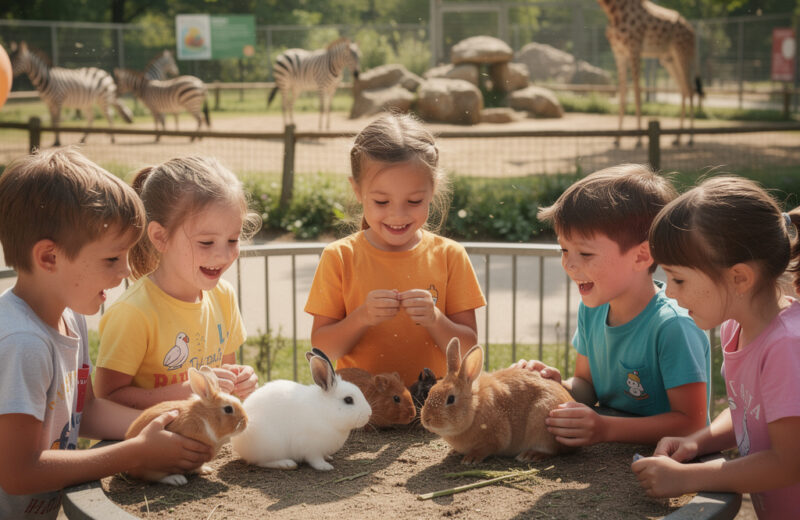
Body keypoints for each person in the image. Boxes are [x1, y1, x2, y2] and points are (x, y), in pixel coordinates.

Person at [0, 148, 212, 519]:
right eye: (112, 259)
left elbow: (88, 410)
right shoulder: (24, 344)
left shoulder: (71, 316)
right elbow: (19, 473)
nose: (125, 270)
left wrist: (170, 426)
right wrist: (136, 452)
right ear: (49, 257)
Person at [633, 176, 800, 518]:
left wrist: (686, 478)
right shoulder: (734, 328)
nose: (670, 292)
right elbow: (748, 409)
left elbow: (788, 463)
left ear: (739, 278)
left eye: (678, 279)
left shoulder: (787, 347)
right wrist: (699, 441)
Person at [514, 164, 710, 446]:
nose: (568, 264)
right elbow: (587, 386)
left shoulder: (673, 326)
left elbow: (691, 423)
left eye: (585, 253)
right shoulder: (592, 309)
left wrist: (605, 428)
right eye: (564, 249)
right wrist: (555, 386)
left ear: (642, 256)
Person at [305, 113, 485, 386]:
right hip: (362, 410)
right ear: (357, 190)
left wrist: (435, 319)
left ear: (433, 189)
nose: (398, 215)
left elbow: (469, 349)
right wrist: (362, 317)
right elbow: (324, 350)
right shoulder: (339, 257)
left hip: (434, 408)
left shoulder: (450, 256)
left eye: (414, 201)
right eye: (381, 201)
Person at [94, 155, 261, 408]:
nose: (224, 255)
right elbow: (105, 399)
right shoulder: (133, 313)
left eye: (233, 240)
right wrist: (187, 390)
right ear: (160, 237)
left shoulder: (223, 296)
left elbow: (225, 377)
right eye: (206, 242)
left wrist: (240, 380)